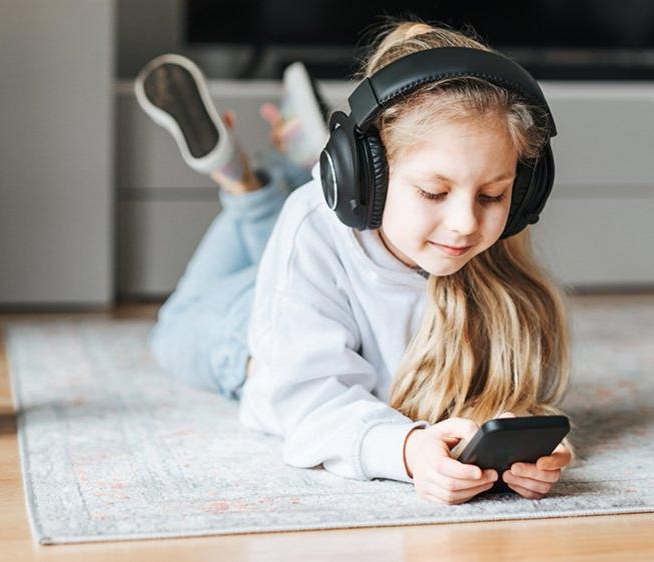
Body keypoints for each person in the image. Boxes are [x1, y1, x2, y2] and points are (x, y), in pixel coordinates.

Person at [142, 20, 575, 506]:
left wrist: (520, 441)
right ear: (365, 178)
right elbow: (309, 402)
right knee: (172, 330)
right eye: (434, 191)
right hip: (242, 331)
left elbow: (505, 397)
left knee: (296, 224)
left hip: (320, 272)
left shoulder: (492, 257)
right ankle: (244, 181)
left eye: (494, 195)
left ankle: (286, 167)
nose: (464, 223)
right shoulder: (311, 225)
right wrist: (406, 449)